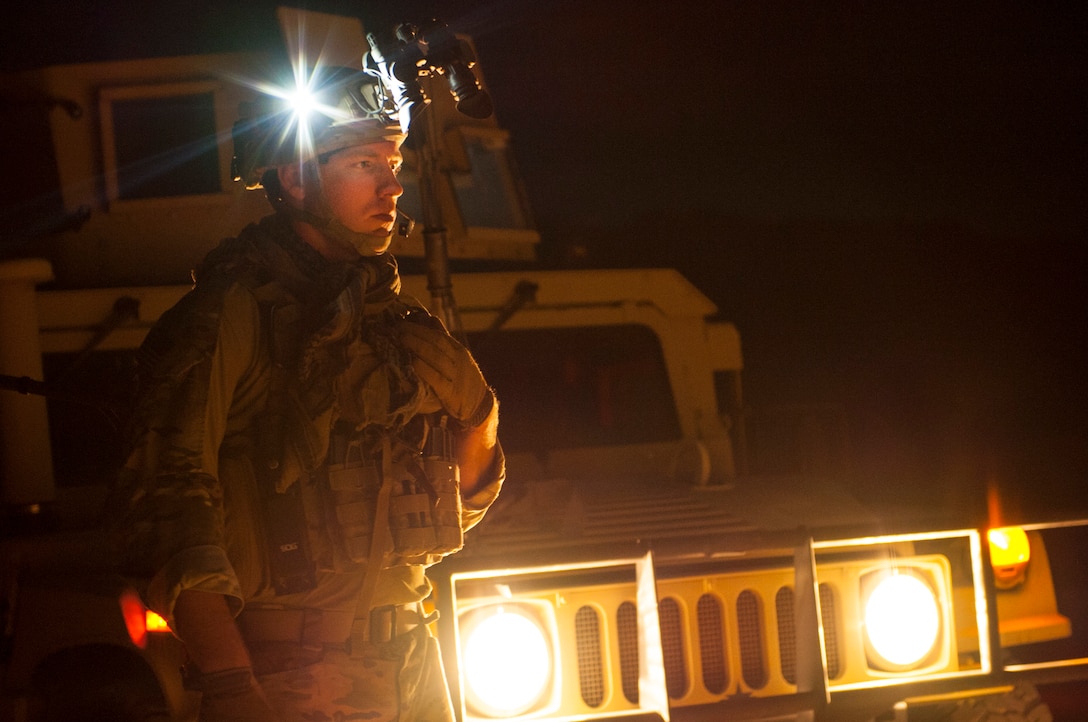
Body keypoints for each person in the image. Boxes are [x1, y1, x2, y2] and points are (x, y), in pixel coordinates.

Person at [111, 60, 503, 721]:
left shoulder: (390, 319)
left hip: (415, 658)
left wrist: (479, 420)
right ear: (296, 178)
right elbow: (170, 499)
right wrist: (234, 685)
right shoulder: (231, 314)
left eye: (394, 162)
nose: (391, 184)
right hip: (294, 674)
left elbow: (444, 521)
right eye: (362, 164)